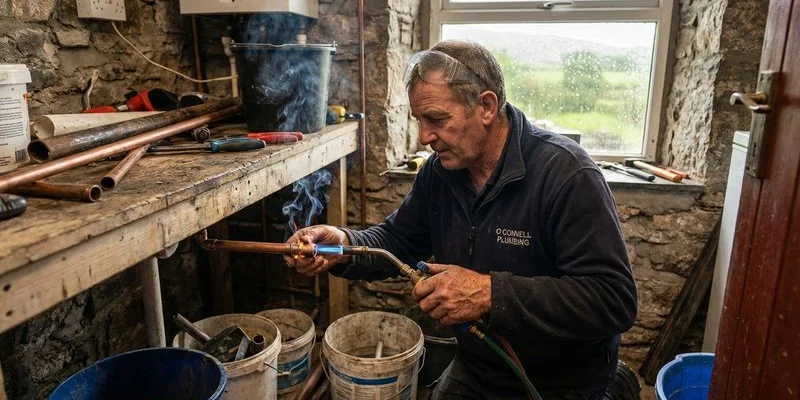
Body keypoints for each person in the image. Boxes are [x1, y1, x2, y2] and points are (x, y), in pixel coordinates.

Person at [284, 40, 637, 399]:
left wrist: (489, 293)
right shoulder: (439, 174)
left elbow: (613, 298)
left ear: (486, 106)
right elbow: (397, 241)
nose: (424, 137)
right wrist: (341, 245)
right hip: (480, 366)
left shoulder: (566, 174)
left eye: (437, 119)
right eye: (419, 121)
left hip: (564, 380)